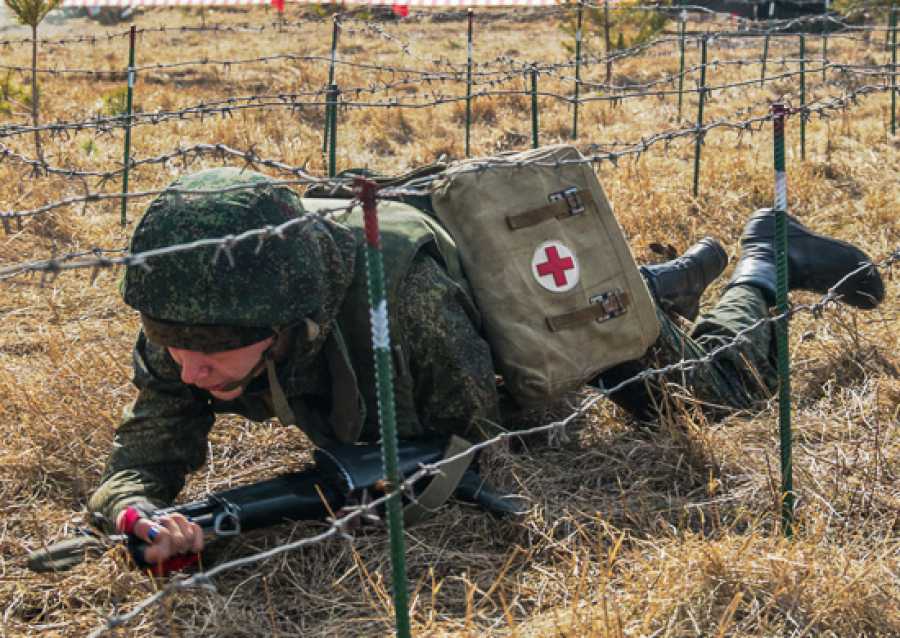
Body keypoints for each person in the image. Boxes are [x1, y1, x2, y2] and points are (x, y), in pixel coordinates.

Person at [88, 167, 884, 567]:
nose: (187, 370)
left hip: (530, 309)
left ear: (287, 322)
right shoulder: (191, 314)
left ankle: (768, 260)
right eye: (173, 350)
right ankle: (657, 286)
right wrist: (139, 516)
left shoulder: (404, 304)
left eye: (208, 356)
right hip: (469, 304)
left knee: (714, 394)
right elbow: (144, 453)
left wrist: (371, 489)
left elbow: (485, 434)